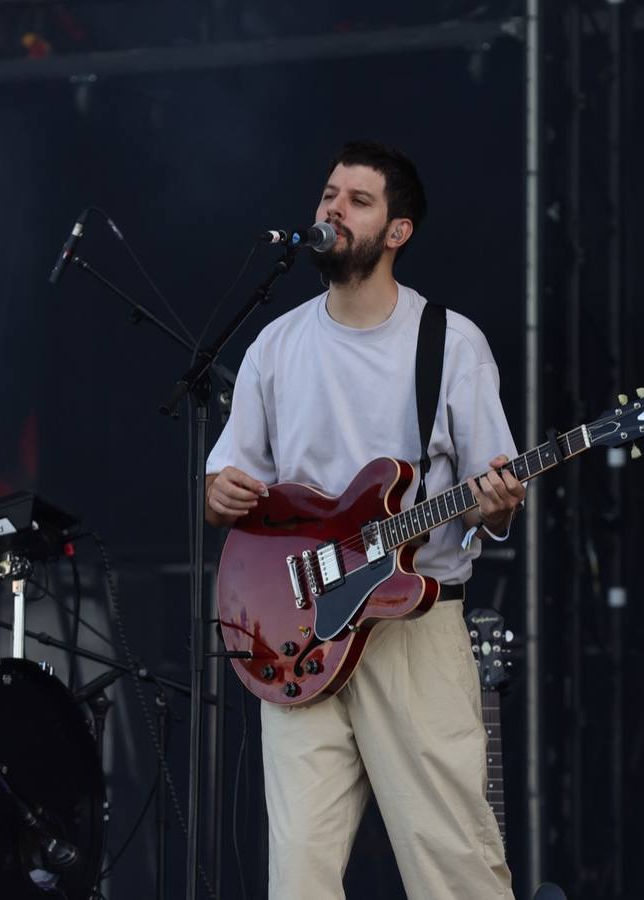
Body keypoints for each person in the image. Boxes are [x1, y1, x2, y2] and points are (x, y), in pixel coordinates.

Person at [205, 140, 522, 899]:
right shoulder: (275, 346)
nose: (331, 209)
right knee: (299, 878)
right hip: (299, 634)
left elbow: (492, 491)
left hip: (410, 634)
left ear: (397, 231)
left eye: (356, 200)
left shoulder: (450, 344)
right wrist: (218, 492)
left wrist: (494, 509)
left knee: (452, 866)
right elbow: (232, 473)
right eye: (327, 194)